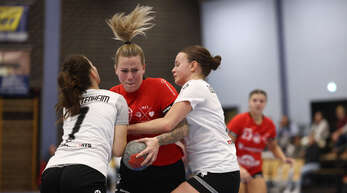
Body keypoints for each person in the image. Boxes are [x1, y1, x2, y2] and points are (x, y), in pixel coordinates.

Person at [130, 45, 240, 193]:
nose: (173, 69)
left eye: (177, 64)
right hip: (221, 171)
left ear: (193, 66)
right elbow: (185, 128)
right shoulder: (201, 87)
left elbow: (167, 123)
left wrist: (127, 128)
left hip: (217, 172)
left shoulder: (194, 86)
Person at [106, 5, 186, 193]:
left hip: (167, 168)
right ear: (116, 69)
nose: (130, 76)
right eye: (124, 71)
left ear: (144, 67)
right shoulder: (113, 95)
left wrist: (158, 140)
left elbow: (183, 128)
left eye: (135, 70)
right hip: (131, 169)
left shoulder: (159, 86)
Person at [40, 55, 128, 193]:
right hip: (86, 169)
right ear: (92, 73)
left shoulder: (69, 103)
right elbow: (118, 150)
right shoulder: (116, 99)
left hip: (52, 171)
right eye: (93, 65)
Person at [227, 89, 294, 193]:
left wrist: (283, 158)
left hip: (255, 169)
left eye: (261, 101)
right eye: (255, 100)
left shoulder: (269, 125)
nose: (258, 103)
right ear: (249, 102)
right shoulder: (239, 120)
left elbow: (274, 147)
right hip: (235, 167)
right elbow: (227, 145)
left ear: (265, 104)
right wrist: (238, 168)